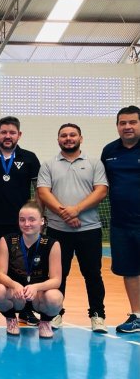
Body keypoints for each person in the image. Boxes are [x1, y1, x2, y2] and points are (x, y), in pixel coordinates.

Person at [37, 123, 108, 332]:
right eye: (63, 135)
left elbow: (101, 191)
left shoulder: (94, 163)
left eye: (72, 135)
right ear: (58, 139)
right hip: (58, 231)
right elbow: (43, 192)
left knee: (93, 274)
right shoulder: (48, 164)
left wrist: (75, 210)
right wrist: (65, 214)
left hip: (90, 229)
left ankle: (98, 315)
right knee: (57, 275)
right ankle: (55, 313)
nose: (68, 138)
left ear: (80, 138)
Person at [0, 117, 41, 324]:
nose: (7, 136)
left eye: (12, 132)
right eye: (3, 132)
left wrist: (38, 216)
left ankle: (25, 308)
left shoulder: (29, 158)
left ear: (19, 135)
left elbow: (39, 190)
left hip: (23, 224)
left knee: (25, 265)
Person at [0, 201, 63, 339]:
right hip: (16, 295)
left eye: (32, 219)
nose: (26, 224)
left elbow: (56, 280)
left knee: (55, 297)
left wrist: (36, 287)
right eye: (22, 220)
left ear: (42, 221)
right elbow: (0, 274)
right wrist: (14, 284)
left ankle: (45, 322)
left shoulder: (52, 244)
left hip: (38, 296)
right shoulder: (7, 240)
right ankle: (11, 319)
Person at [102, 106, 140, 333]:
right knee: (130, 270)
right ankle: (136, 316)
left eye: (132, 122)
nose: (127, 126)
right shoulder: (109, 151)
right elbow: (102, 184)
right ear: (117, 126)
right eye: (123, 123)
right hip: (121, 223)